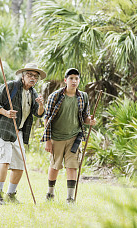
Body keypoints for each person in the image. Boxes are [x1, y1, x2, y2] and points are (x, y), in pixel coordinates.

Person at [0, 63, 46, 205]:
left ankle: (10, 195)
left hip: (18, 132)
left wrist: (41, 105)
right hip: (3, 129)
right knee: (4, 160)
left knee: (20, 164)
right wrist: (6, 112)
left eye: (35, 76)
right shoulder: (11, 86)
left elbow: (38, 114)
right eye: (30, 75)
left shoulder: (33, 93)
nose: (33, 78)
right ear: (23, 76)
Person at [41, 68, 96, 203]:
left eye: (76, 78)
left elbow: (85, 117)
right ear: (65, 80)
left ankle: (70, 198)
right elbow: (47, 118)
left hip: (74, 137)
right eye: (71, 78)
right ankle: (50, 193)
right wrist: (47, 140)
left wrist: (90, 121)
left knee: (72, 166)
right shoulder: (56, 96)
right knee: (55, 166)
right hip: (57, 137)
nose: (74, 81)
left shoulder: (83, 97)